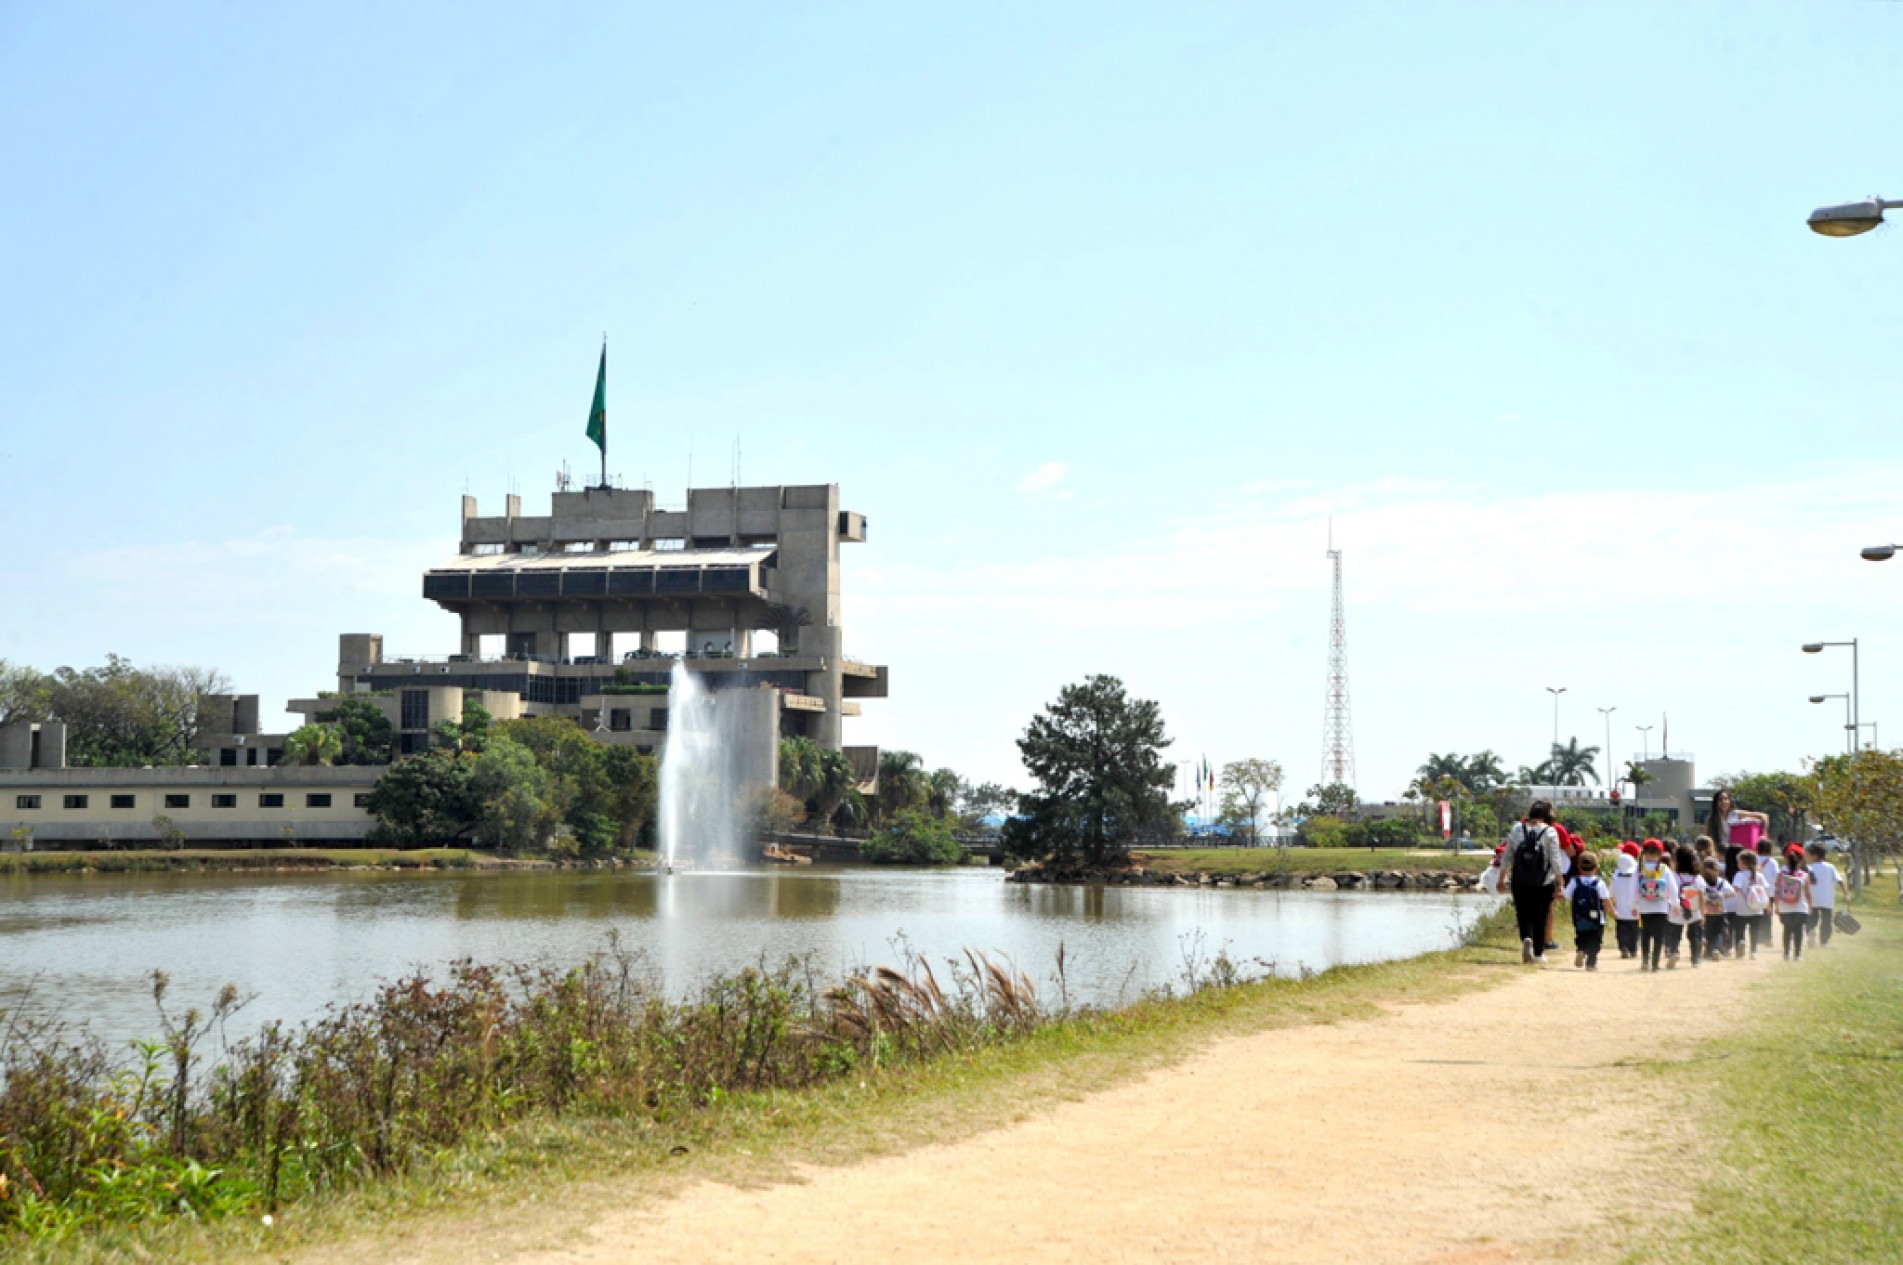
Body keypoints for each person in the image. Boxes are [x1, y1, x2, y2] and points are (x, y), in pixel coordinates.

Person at [1505, 801, 1565, 964]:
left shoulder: (1517, 828)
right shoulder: (1550, 832)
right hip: (1543, 882)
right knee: (1541, 915)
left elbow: (1508, 855)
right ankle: (1538, 953)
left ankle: (1526, 938)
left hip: (1519, 880)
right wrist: (1560, 882)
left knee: (1523, 913)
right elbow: (1555, 860)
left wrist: (1501, 877)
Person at [1633, 839, 1680, 972]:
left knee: (1645, 935)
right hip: (1661, 908)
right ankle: (1655, 963)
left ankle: (1645, 961)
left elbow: (1633, 889)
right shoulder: (1664, 869)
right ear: (1660, 854)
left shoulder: (1639, 869)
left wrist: (1633, 905)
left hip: (1644, 908)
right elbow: (1672, 887)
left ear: (1644, 853)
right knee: (1659, 937)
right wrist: (1675, 902)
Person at [1564, 851, 1611, 970]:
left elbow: (1566, 896)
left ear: (1579, 867)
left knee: (1581, 936)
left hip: (1579, 917)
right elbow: (1606, 900)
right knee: (1596, 940)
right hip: (1597, 918)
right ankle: (1591, 963)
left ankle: (1581, 950)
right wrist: (1613, 912)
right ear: (1596, 867)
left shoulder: (1575, 881)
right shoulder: (1599, 883)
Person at [1668, 844, 1706, 967]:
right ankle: (1695, 959)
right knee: (1695, 936)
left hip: (1676, 909)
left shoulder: (1673, 876)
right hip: (1694, 910)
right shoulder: (1697, 878)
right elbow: (1701, 897)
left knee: (1674, 933)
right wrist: (1702, 914)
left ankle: (1674, 951)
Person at [1731, 849, 1771, 959]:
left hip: (1742, 909)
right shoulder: (1759, 876)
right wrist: (1768, 905)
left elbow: (1735, 889)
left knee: (1739, 929)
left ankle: (1741, 942)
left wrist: (1727, 896)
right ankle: (1753, 952)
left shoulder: (1739, 875)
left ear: (1743, 863)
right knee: (1754, 931)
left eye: (1739, 862)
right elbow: (1766, 891)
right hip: (1757, 909)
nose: (1738, 865)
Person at [1775, 848, 1812, 961]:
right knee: (1798, 931)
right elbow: (1808, 893)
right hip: (1800, 908)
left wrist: (1776, 906)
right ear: (1799, 862)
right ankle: (1797, 955)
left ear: (1787, 861)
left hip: (1785, 907)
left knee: (1787, 930)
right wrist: (1810, 907)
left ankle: (1786, 953)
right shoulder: (1804, 875)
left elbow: (1777, 891)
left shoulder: (1782, 874)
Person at [1608, 841, 1642, 959]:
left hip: (1620, 912)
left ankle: (1623, 948)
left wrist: (1610, 907)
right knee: (1635, 933)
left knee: (1621, 933)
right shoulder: (1638, 875)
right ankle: (1633, 950)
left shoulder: (1616, 876)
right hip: (1635, 912)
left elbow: (1610, 894)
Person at [1806, 842, 1842, 948]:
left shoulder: (1809, 868)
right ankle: (1824, 942)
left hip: (1813, 899)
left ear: (1815, 856)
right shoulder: (1830, 867)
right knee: (1826, 921)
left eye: (1809, 854)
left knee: (1812, 919)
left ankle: (1811, 931)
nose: (1808, 857)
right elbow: (1840, 881)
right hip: (1827, 899)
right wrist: (1846, 893)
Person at [1698, 860, 1733, 959]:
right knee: (1719, 932)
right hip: (1720, 911)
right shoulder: (1722, 881)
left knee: (1708, 931)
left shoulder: (1701, 880)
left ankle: (1709, 949)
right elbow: (1732, 892)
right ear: (1717, 870)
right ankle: (1716, 949)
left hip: (1706, 911)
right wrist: (1722, 897)